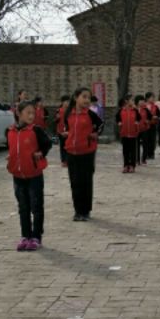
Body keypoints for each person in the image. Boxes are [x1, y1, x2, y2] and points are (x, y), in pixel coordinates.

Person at [6, 100, 52, 251]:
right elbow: (13, 148)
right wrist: (11, 157)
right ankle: (25, 236)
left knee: (36, 206)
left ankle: (36, 237)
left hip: (34, 175)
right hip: (18, 175)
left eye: (33, 113)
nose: (32, 116)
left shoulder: (36, 130)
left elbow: (47, 143)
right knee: (23, 207)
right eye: (28, 113)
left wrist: (41, 152)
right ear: (19, 113)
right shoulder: (10, 131)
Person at [63, 87, 104, 221]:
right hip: (71, 152)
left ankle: (86, 211)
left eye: (88, 97)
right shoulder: (68, 113)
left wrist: (95, 134)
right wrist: (67, 134)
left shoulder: (91, 114)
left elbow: (101, 125)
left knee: (86, 182)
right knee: (75, 182)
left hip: (87, 152)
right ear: (76, 97)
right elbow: (66, 127)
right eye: (84, 97)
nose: (87, 100)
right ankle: (77, 211)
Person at [116, 94, 140, 173]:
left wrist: (136, 123)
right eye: (131, 100)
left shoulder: (135, 110)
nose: (133, 102)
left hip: (133, 134)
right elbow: (117, 118)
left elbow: (139, 118)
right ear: (126, 101)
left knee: (133, 151)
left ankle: (132, 166)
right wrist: (119, 123)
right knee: (125, 151)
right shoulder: (121, 110)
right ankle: (126, 165)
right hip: (124, 133)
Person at [55, 95, 70, 167]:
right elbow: (55, 121)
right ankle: (63, 161)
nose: (67, 103)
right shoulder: (58, 110)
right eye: (66, 101)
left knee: (68, 146)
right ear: (62, 102)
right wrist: (57, 118)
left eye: (68, 101)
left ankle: (68, 160)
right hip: (60, 131)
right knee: (62, 147)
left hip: (68, 131)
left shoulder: (70, 110)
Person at [145, 92, 160, 160]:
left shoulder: (155, 106)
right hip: (145, 125)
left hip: (153, 125)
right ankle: (146, 154)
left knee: (152, 140)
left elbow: (159, 114)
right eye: (152, 97)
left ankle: (151, 154)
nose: (153, 99)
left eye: (153, 97)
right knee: (146, 140)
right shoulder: (144, 106)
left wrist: (156, 117)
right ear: (147, 98)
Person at [135, 95, 150, 165]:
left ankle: (144, 159)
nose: (142, 102)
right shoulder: (134, 109)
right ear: (137, 101)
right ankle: (137, 159)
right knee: (136, 145)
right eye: (141, 100)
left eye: (143, 101)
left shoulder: (146, 109)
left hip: (144, 129)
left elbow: (150, 117)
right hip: (136, 130)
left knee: (145, 144)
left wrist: (147, 121)